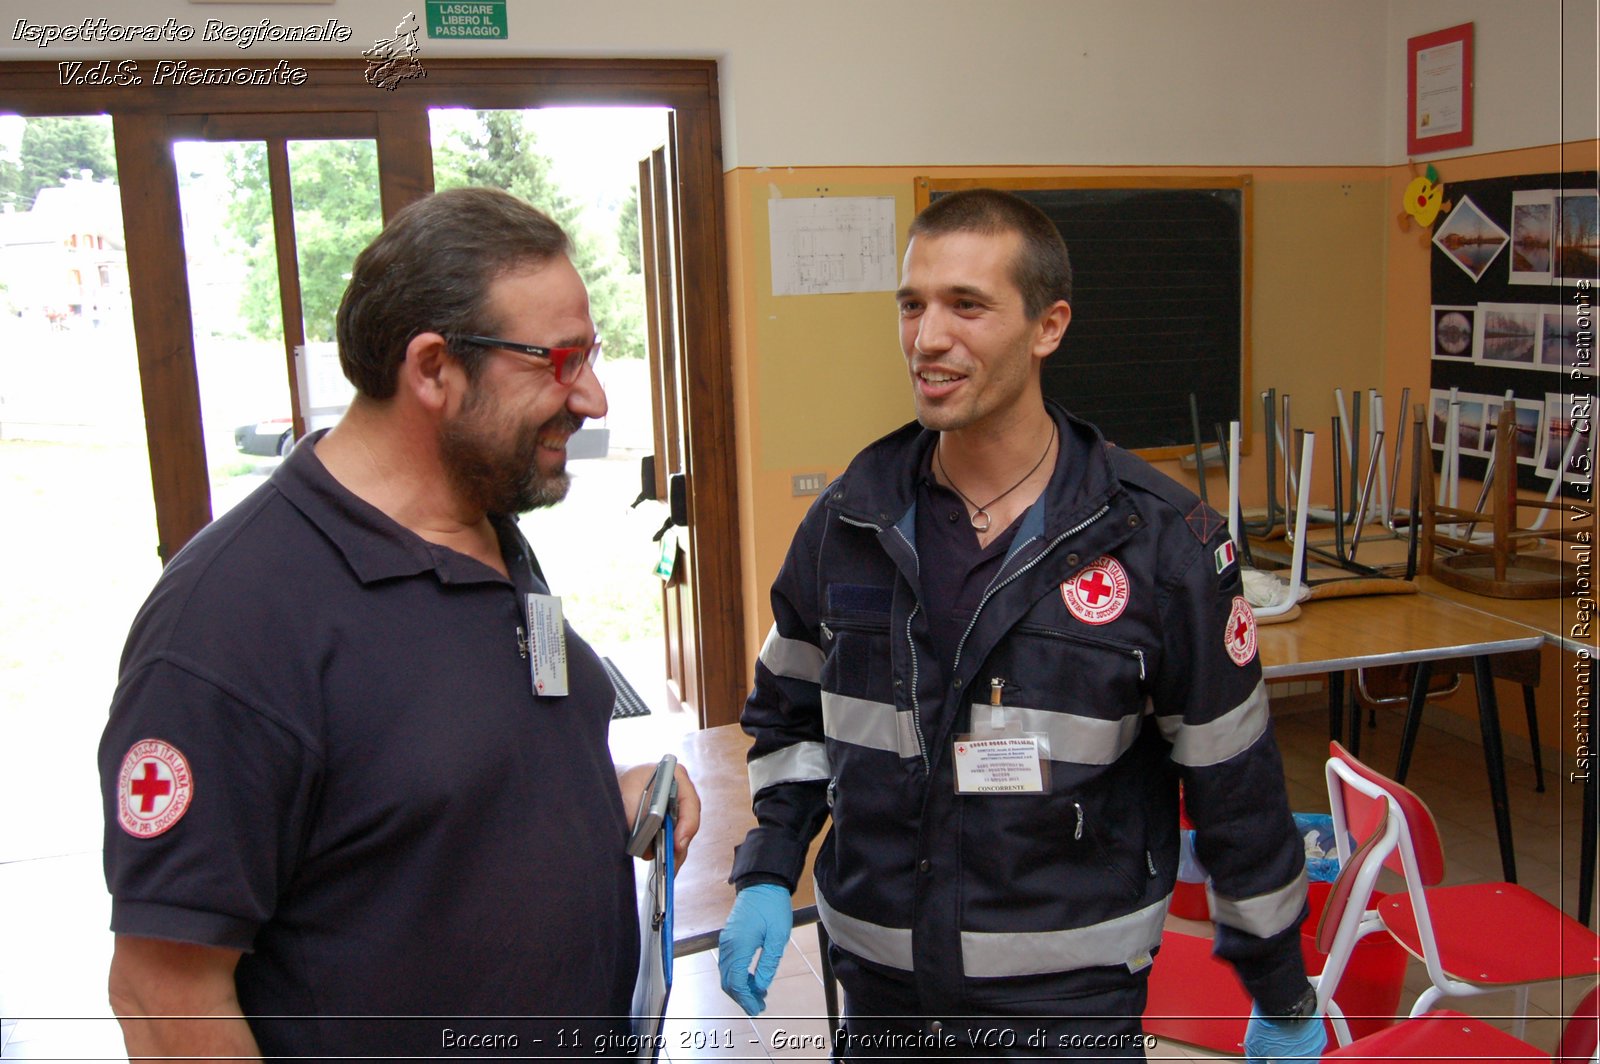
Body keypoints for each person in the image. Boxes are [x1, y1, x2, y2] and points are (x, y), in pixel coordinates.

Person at [717, 188, 1323, 1060]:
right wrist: (772, 866)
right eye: (913, 305)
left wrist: (1280, 987)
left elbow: (1234, 782)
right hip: (882, 997)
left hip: (1065, 1009)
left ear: (1048, 326)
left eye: (967, 306)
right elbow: (789, 715)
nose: (928, 339)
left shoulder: (1159, 542)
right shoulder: (852, 521)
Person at [98, 186, 698, 1060]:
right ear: (431, 370)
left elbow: (429, 806)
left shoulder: (490, 531)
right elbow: (162, 993)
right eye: (560, 360)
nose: (595, 397)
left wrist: (604, 800)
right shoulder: (230, 625)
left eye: (590, 355)